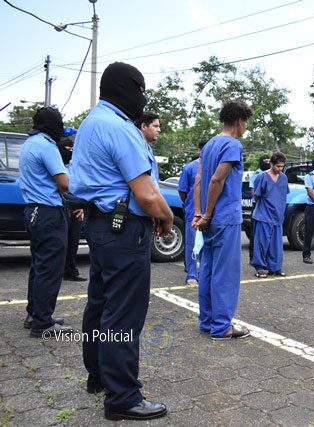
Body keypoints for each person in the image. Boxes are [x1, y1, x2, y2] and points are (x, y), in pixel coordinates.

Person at [71, 62, 173, 421]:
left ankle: (99, 377)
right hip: (124, 229)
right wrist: (167, 217)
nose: (142, 98)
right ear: (125, 87)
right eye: (140, 90)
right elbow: (146, 195)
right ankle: (123, 398)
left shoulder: (91, 123)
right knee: (123, 314)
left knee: (100, 305)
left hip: (101, 227)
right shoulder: (119, 127)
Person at [192, 100, 252, 340]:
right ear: (238, 120)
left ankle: (207, 321)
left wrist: (199, 213)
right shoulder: (232, 145)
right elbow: (217, 180)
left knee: (207, 270)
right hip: (224, 217)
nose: (246, 126)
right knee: (225, 274)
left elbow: (199, 180)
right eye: (246, 121)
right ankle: (221, 327)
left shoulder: (209, 145)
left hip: (209, 219)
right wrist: (207, 214)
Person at [19, 107, 74, 336]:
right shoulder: (47, 146)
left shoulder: (29, 144)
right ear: (52, 125)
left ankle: (35, 314)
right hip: (49, 212)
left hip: (33, 211)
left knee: (39, 266)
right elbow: (64, 183)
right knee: (50, 268)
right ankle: (43, 323)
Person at [252, 152, 289, 278]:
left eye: (282, 166)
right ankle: (260, 268)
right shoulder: (262, 177)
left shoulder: (284, 178)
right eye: (278, 166)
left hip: (278, 216)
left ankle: (275, 267)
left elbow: (282, 195)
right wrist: (265, 206)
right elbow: (256, 196)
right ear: (271, 164)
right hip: (263, 215)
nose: (280, 169)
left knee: (276, 245)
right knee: (261, 244)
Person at [178, 139, 208, 285]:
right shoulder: (189, 168)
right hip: (193, 211)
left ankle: (205, 274)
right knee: (192, 243)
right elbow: (182, 190)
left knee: (207, 244)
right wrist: (189, 204)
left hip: (209, 212)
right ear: (199, 150)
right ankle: (192, 274)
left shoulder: (216, 167)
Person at [58, 134, 87, 282]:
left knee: (73, 240)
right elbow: (61, 187)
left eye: (72, 150)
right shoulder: (56, 166)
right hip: (62, 207)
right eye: (68, 149)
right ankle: (60, 271)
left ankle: (71, 270)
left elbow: (79, 186)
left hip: (76, 207)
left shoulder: (74, 166)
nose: (71, 152)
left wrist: (80, 206)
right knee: (61, 242)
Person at [248, 155, 271, 263]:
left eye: (269, 161)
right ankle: (252, 257)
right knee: (254, 233)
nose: (267, 163)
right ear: (261, 162)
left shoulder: (271, 174)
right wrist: (260, 202)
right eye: (265, 161)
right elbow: (253, 191)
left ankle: (266, 257)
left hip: (268, 207)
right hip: (257, 205)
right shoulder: (255, 175)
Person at [135, 112, 161, 181]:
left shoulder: (148, 149)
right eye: (155, 126)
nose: (159, 130)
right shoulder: (136, 148)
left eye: (159, 127)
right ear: (144, 126)